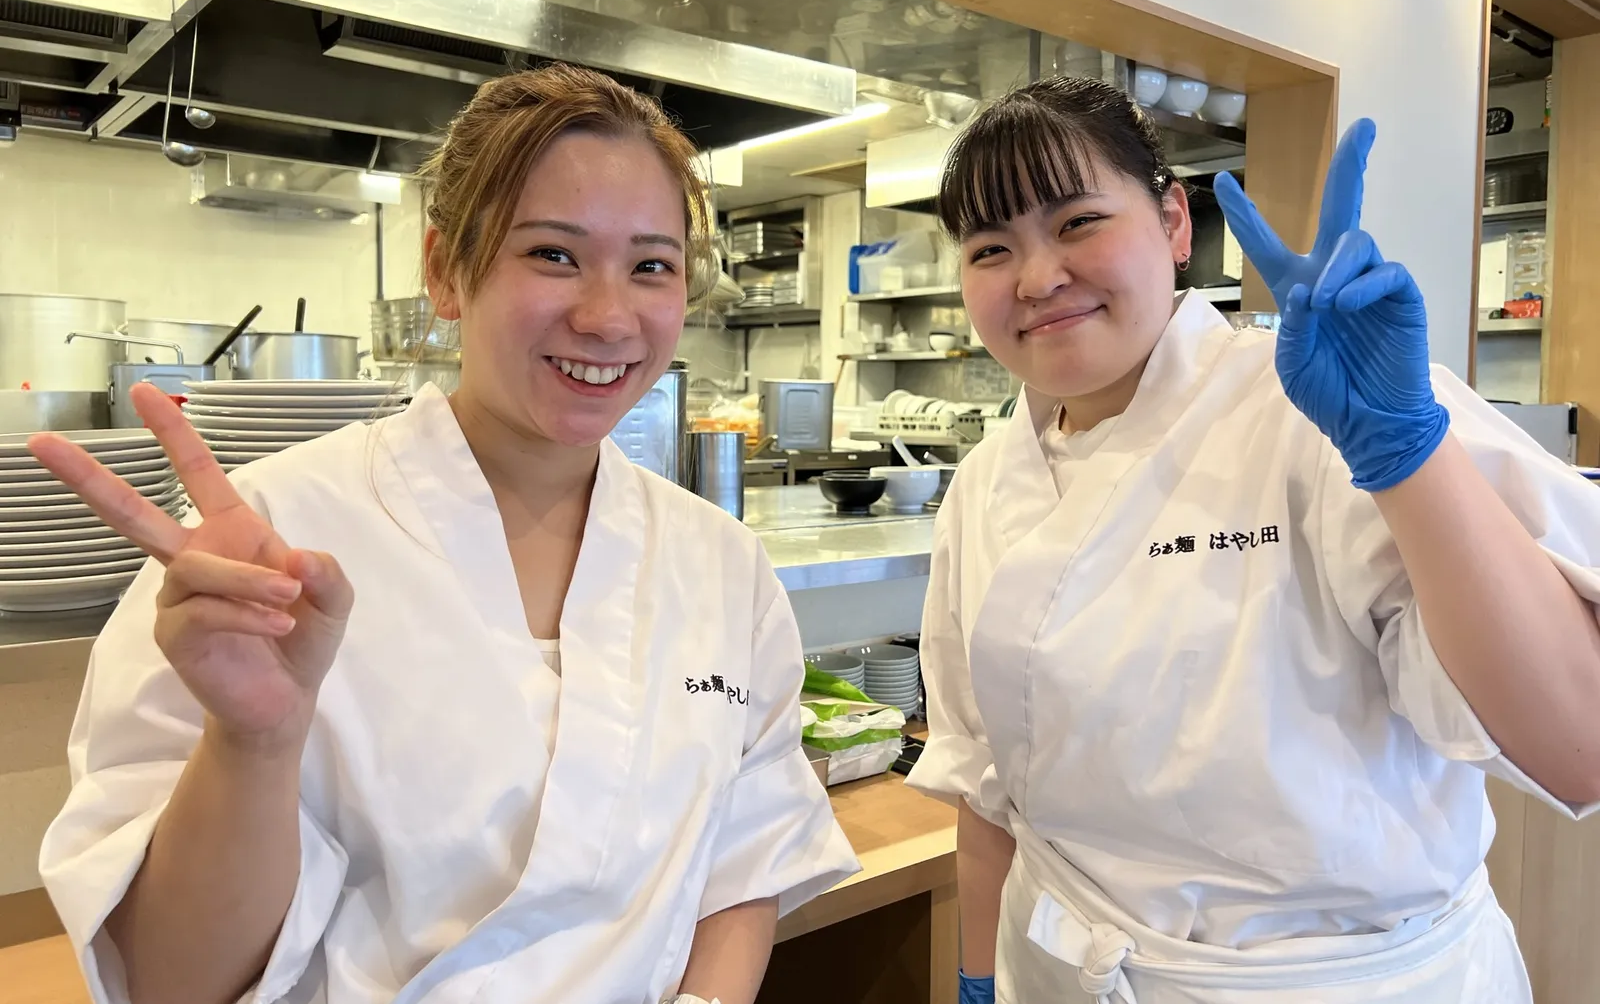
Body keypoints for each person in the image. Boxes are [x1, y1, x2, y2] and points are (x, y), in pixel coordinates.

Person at [35, 64, 858, 1004]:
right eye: (553, 254)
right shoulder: (269, 549)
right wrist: (252, 743)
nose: (607, 315)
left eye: (651, 265)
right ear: (444, 270)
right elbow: (168, 982)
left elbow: (742, 857)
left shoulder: (720, 566)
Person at [905, 76, 1600, 1004]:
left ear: (1175, 225)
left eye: (1076, 222)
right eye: (992, 248)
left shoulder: (1317, 412)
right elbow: (988, 793)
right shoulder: (987, 479)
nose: (1036, 278)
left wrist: (1404, 450)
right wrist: (976, 980)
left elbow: (1580, 743)